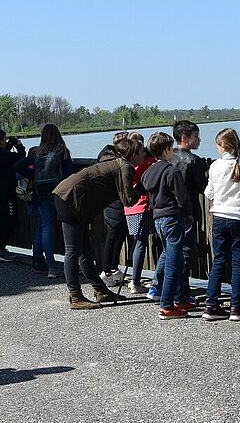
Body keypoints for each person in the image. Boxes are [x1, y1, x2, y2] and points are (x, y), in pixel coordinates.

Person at [53, 136, 145, 309]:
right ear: (133, 153)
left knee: (85, 252)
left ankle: (100, 290)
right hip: (71, 199)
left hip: (70, 196)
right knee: (73, 251)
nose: (144, 153)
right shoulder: (124, 166)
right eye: (142, 151)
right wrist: (142, 188)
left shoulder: (115, 160)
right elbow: (128, 200)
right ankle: (75, 296)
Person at [147, 120, 207, 301]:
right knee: (185, 253)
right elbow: (203, 186)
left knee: (168, 251)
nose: (199, 140)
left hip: (161, 213)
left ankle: (157, 286)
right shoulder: (193, 161)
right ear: (184, 138)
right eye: (196, 136)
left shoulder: (162, 163)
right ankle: (181, 293)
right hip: (183, 213)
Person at [202, 128, 240, 321]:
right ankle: (236, 306)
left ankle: (211, 304)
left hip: (219, 217)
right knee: (238, 261)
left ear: (222, 146)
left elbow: (209, 193)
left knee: (219, 260)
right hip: (239, 217)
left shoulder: (215, 166)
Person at [141, 132, 194, 320]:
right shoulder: (172, 171)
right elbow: (182, 197)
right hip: (173, 218)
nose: (173, 151)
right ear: (166, 150)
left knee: (175, 259)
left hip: (158, 219)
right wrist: (188, 214)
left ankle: (180, 298)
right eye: (171, 148)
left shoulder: (149, 172)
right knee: (173, 262)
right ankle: (167, 305)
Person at [14, 124, 73, 278]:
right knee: (59, 228)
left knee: (44, 228)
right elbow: (70, 173)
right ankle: (58, 267)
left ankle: (43, 264)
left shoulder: (36, 152)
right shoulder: (62, 151)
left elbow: (18, 166)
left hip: (40, 194)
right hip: (58, 193)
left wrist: (33, 175)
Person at [123, 132, 156, 294]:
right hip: (143, 206)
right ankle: (136, 281)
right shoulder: (146, 163)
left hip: (129, 208)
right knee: (141, 243)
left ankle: (135, 279)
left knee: (137, 242)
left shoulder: (126, 164)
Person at [98, 131, 129, 286]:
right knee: (112, 235)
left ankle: (113, 268)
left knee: (120, 234)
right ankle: (106, 271)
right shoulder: (113, 160)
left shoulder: (106, 156)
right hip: (113, 201)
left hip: (113, 200)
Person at [0, 130, 25, 262]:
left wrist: (9, 145)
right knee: (8, 220)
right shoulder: (4, 156)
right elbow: (21, 157)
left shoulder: (4, 154)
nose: (5, 141)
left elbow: (6, 156)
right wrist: (19, 145)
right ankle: (1, 249)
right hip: (6, 194)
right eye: (3, 139)